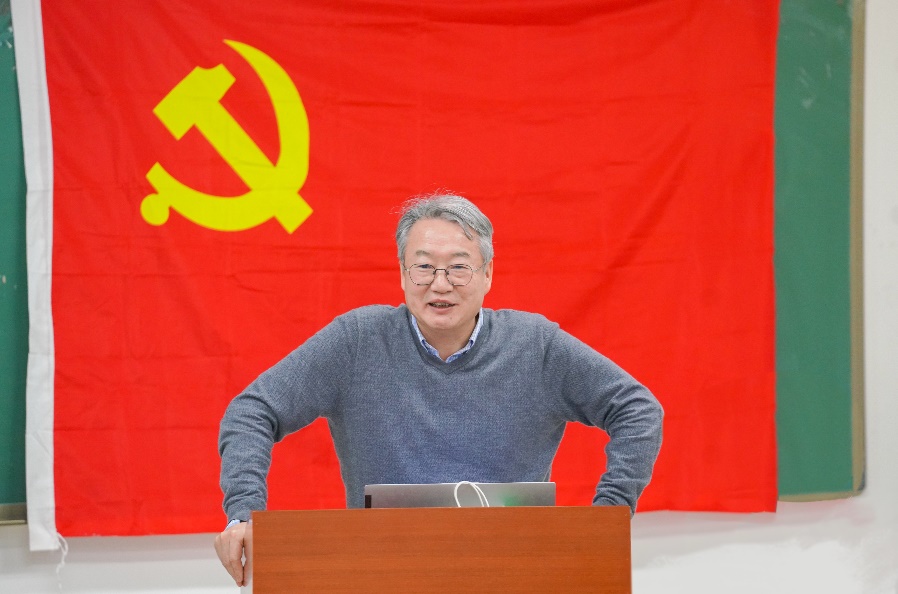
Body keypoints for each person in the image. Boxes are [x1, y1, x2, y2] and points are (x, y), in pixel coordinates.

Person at [214, 193, 663, 586]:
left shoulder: (535, 345)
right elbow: (253, 411)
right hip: (380, 572)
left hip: (517, 572)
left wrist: (609, 514)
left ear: (487, 274)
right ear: (402, 273)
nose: (440, 284)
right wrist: (242, 513)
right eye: (424, 267)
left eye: (459, 268)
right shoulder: (357, 340)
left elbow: (637, 409)